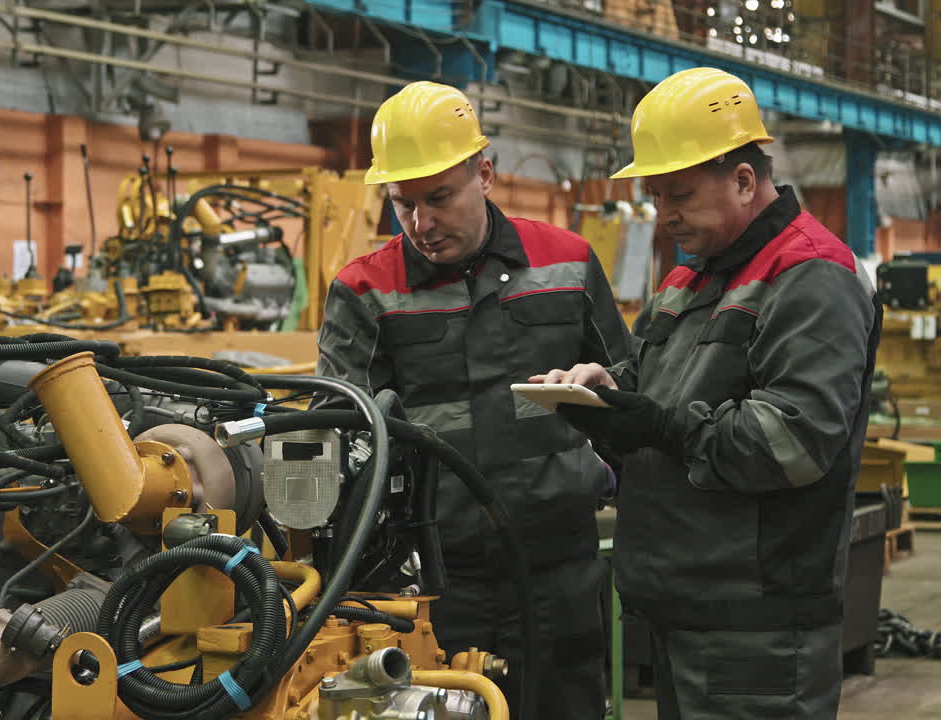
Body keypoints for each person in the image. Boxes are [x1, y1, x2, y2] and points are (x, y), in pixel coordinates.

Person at [534, 67, 882, 719]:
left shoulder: (812, 277)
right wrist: (604, 397)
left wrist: (661, 426)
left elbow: (796, 441)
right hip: (685, 611)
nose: (664, 216)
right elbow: (651, 388)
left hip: (760, 629)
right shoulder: (690, 278)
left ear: (744, 179)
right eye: (657, 195)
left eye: (679, 195)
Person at [313, 80, 631, 717]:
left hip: (558, 572)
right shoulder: (365, 291)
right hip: (432, 585)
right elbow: (334, 429)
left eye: (439, 198)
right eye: (402, 204)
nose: (421, 224)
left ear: (484, 174)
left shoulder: (566, 264)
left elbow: (630, 381)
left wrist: (601, 448)